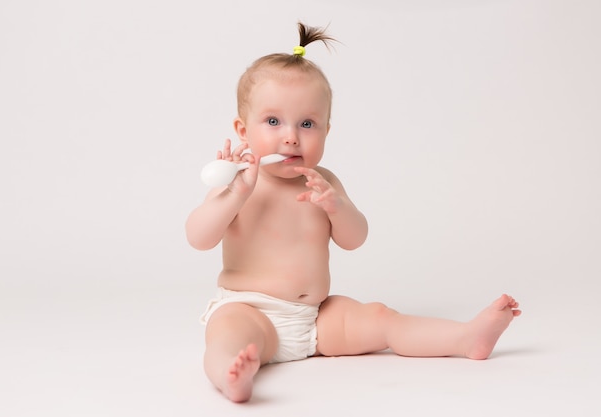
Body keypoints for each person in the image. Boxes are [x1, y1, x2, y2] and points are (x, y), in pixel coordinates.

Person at [185, 22, 521, 403]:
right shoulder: (238, 182)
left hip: (315, 318)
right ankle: (232, 375)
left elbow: (355, 239)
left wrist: (336, 207)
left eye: (307, 124)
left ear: (327, 131)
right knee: (226, 337)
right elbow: (198, 237)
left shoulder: (323, 181)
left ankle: (465, 338)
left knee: (381, 319)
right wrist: (233, 197)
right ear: (242, 130)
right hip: (250, 311)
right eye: (273, 121)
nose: (291, 136)